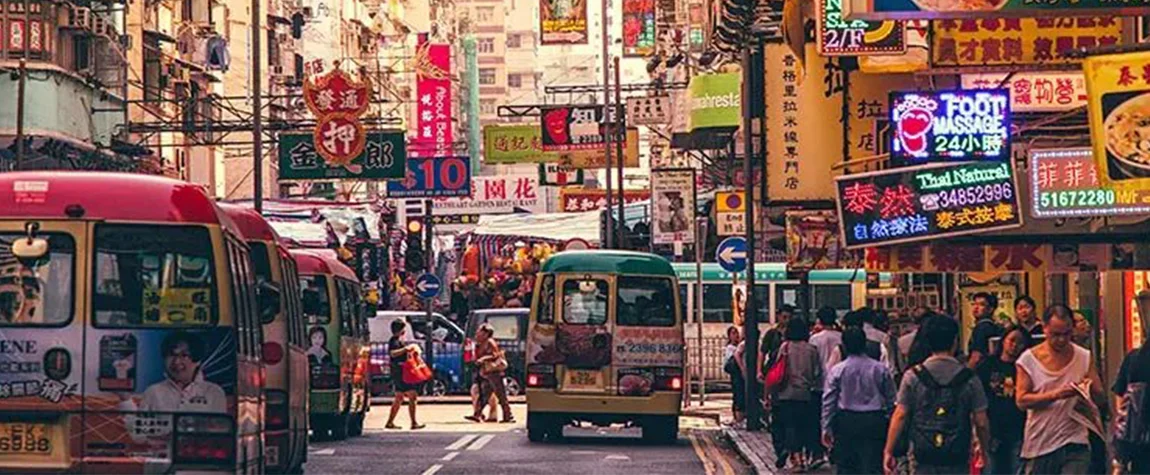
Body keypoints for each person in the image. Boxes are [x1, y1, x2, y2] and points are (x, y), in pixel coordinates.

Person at [884, 315, 991, 474]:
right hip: (957, 455)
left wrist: (889, 450)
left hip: (923, 454)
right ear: (955, 341)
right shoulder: (969, 378)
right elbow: (981, 421)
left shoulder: (913, 375)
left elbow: (900, 414)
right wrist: (983, 449)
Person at [1016, 304, 1105, 474]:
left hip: (1075, 441)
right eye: (1055, 335)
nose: (1062, 340)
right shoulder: (1028, 360)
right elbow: (1021, 400)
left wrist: (1088, 390)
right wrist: (1056, 394)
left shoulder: (1083, 356)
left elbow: (1100, 396)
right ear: (1044, 328)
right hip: (1041, 443)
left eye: (1067, 334)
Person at [822, 327, 896, 474]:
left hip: (847, 420)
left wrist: (826, 426)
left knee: (847, 466)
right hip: (875, 420)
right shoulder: (880, 369)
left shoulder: (838, 370)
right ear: (864, 344)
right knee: (873, 465)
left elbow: (829, 401)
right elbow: (890, 399)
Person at [977, 325, 1030, 475]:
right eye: (1012, 340)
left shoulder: (1026, 368)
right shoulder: (987, 365)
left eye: (1020, 343)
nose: (1014, 346)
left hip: (1018, 429)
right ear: (1004, 340)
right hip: (993, 429)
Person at [772, 318, 824, 471]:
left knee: (790, 425)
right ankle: (800, 455)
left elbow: (778, 368)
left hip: (786, 392)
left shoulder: (785, 347)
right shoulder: (812, 349)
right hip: (805, 394)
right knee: (803, 425)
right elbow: (817, 372)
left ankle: (795, 458)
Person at [139, 331, 227, 413]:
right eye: (171, 355)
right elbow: (137, 425)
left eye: (184, 355)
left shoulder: (213, 391)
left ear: (198, 361)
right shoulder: (153, 391)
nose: (176, 362)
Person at [1113, 290, 1150, 474]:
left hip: (1140, 445)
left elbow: (1123, 407)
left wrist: (1120, 457)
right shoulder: (1136, 359)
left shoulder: (1135, 358)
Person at [468, 323, 515, 423]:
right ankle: (477, 414)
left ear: (486, 333)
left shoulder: (490, 342)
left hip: (494, 372)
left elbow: (495, 355)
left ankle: (508, 415)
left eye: (480, 331)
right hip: (487, 373)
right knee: (485, 394)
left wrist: (483, 359)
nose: (477, 333)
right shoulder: (481, 343)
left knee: (500, 394)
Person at [385, 319, 425, 430]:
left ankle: (390, 422)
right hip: (401, 373)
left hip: (399, 372)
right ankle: (413, 422)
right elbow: (392, 353)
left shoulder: (397, 340)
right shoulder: (394, 341)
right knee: (413, 396)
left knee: (399, 397)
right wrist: (406, 349)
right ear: (401, 329)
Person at [968, 292, 1004, 370]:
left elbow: (977, 356)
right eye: (974, 304)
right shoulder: (993, 326)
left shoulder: (983, 327)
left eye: (981, 304)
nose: (976, 307)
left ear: (990, 309)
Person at [723, 326, 746, 424]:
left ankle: (739, 418)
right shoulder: (730, 348)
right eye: (733, 333)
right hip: (736, 375)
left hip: (739, 375)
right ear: (729, 336)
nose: (736, 335)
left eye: (737, 332)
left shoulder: (740, 345)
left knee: (740, 394)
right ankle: (737, 418)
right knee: (738, 394)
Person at [810, 307, 843, 372]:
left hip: (821, 375)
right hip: (838, 374)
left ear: (819, 320)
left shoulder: (814, 338)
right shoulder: (841, 337)